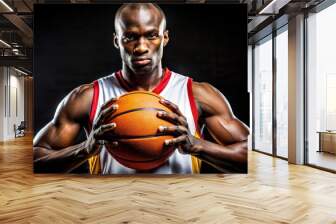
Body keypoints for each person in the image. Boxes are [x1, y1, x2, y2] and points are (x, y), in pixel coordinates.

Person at [33, 3, 249, 174]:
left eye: (151, 35)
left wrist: (198, 146)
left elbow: (251, 153)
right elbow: (36, 156)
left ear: (165, 37)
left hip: (181, 207)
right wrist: (85, 149)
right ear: (117, 40)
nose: (141, 47)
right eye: (130, 37)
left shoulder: (197, 94)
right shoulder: (89, 97)